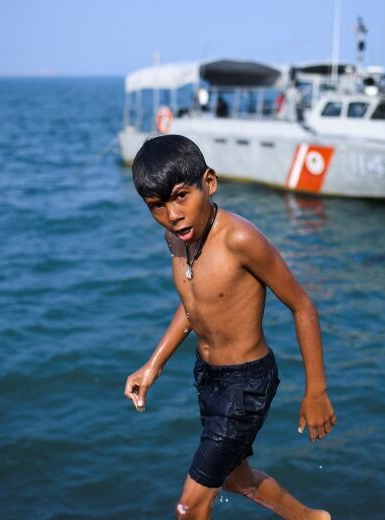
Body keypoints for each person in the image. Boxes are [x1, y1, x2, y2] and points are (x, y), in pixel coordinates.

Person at [124, 134, 336, 519]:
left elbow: (303, 306)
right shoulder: (176, 238)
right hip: (208, 377)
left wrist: (316, 390)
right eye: (157, 206)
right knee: (235, 478)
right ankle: (311, 519)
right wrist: (153, 365)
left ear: (208, 183)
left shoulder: (240, 239)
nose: (172, 214)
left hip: (246, 384)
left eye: (180, 196)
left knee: (189, 509)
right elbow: (194, 304)